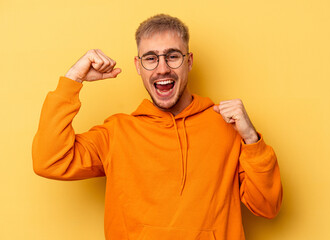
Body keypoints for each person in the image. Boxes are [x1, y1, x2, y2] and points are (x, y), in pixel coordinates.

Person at [32, 14, 282, 240]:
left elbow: (268, 206)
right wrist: (73, 79)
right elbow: (49, 161)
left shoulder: (228, 127)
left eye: (173, 56)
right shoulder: (117, 133)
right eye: (151, 58)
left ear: (189, 61)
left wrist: (251, 138)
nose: (162, 68)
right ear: (138, 66)